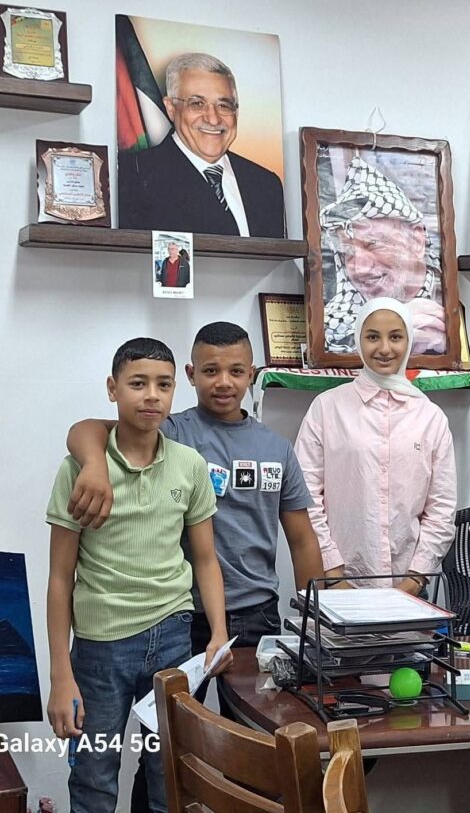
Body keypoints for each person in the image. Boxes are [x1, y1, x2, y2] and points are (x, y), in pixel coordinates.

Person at [46, 338, 230, 813]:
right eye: (138, 383)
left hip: (172, 637)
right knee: (93, 776)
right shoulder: (80, 470)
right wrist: (60, 675)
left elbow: (205, 559)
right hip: (100, 646)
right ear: (113, 389)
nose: (151, 395)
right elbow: (60, 579)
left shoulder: (189, 465)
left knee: (170, 775)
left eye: (163, 385)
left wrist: (218, 632)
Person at [295, 297, 457, 592]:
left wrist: (415, 578)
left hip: (410, 589)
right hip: (339, 584)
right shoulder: (327, 408)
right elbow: (306, 496)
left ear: (408, 341)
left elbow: (441, 508)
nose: (384, 349)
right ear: (359, 340)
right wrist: (333, 573)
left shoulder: (430, 417)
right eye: (372, 337)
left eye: (395, 337)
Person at [118, 52, 285, 238]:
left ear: (236, 112)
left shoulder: (266, 185)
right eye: (197, 104)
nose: (213, 119)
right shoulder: (135, 175)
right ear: (171, 108)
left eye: (224, 105)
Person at [320, 156, 445, 355]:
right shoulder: (335, 326)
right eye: (348, 252)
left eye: (373, 244)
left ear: (416, 240)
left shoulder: (449, 301)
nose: (359, 268)